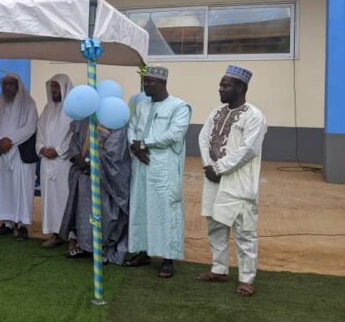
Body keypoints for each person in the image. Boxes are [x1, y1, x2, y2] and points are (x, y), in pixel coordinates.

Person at [196, 66, 267, 297]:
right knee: (215, 226)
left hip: (238, 182)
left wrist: (218, 168)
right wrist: (209, 165)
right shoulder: (216, 113)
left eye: (225, 85)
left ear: (240, 87)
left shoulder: (254, 116)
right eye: (221, 84)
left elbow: (248, 150)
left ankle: (247, 278)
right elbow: (203, 137)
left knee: (244, 231)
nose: (220, 89)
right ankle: (219, 269)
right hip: (213, 179)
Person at [125, 67, 191, 278]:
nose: (145, 85)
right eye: (144, 81)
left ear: (162, 83)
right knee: (140, 207)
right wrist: (135, 147)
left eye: (150, 82)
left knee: (164, 210)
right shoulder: (141, 105)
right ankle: (143, 252)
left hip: (163, 168)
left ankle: (168, 258)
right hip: (140, 164)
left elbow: (174, 134)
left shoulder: (179, 106)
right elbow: (131, 128)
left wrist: (144, 144)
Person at [59, 121, 131, 263]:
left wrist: (91, 163)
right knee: (85, 213)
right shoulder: (82, 119)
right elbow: (74, 142)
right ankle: (84, 244)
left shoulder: (115, 120)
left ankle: (102, 247)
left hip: (104, 178)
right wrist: (78, 158)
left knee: (102, 213)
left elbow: (115, 150)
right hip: (84, 177)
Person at [0, 73, 39, 241]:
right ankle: (7, 223)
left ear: (18, 85)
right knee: (4, 188)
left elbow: (30, 127)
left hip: (21, 154)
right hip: (1, 152)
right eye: (5, 84)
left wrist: (11, 141)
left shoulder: (29, 104)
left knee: (22, 189)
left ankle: (22, 225)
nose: (8, 87)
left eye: (11, 84)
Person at [36, 74, 74, 248]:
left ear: (65, 88)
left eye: (56, 86)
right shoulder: (47, 109)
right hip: (47, 161)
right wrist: (42, 148)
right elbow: (39, 131)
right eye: (52, 86)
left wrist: (58, 150)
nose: (53, 90)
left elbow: (73, 135)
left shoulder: (72, 110)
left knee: (65, 198)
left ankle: (71, 234)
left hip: (64, 163)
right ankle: (56, 233)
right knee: (50, 199)